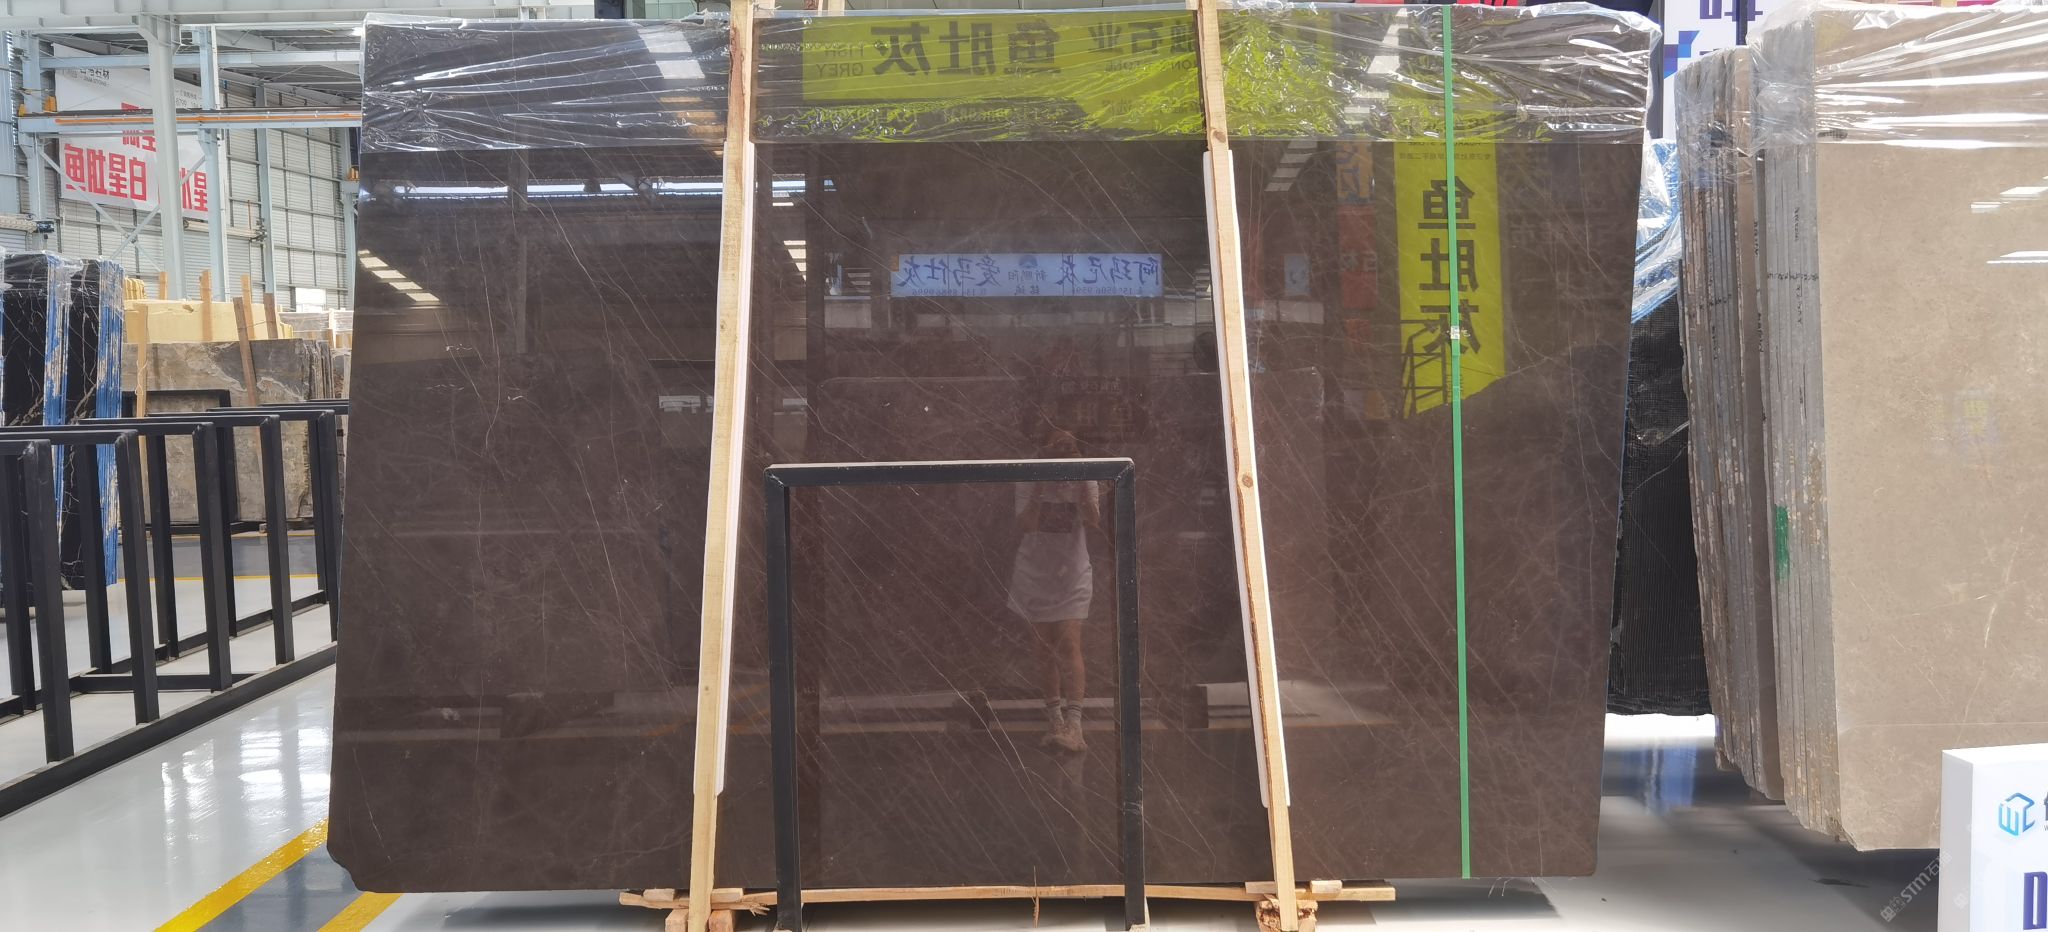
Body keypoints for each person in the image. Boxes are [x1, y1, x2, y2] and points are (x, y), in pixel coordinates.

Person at [1008, 425, 1101, 754]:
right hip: (1035, 572)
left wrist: (1080, 483)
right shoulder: (1027, 475)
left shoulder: (1086, 474)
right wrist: (1041, 482)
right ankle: (1055, 721)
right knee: (1042, 649)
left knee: (1070, 642)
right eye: (1057, 448)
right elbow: (1026, 524)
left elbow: (1092, 520)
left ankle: (1075, 724)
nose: (1063, 453)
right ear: (1043, 450)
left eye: (1069, 447)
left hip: (1071, 572)